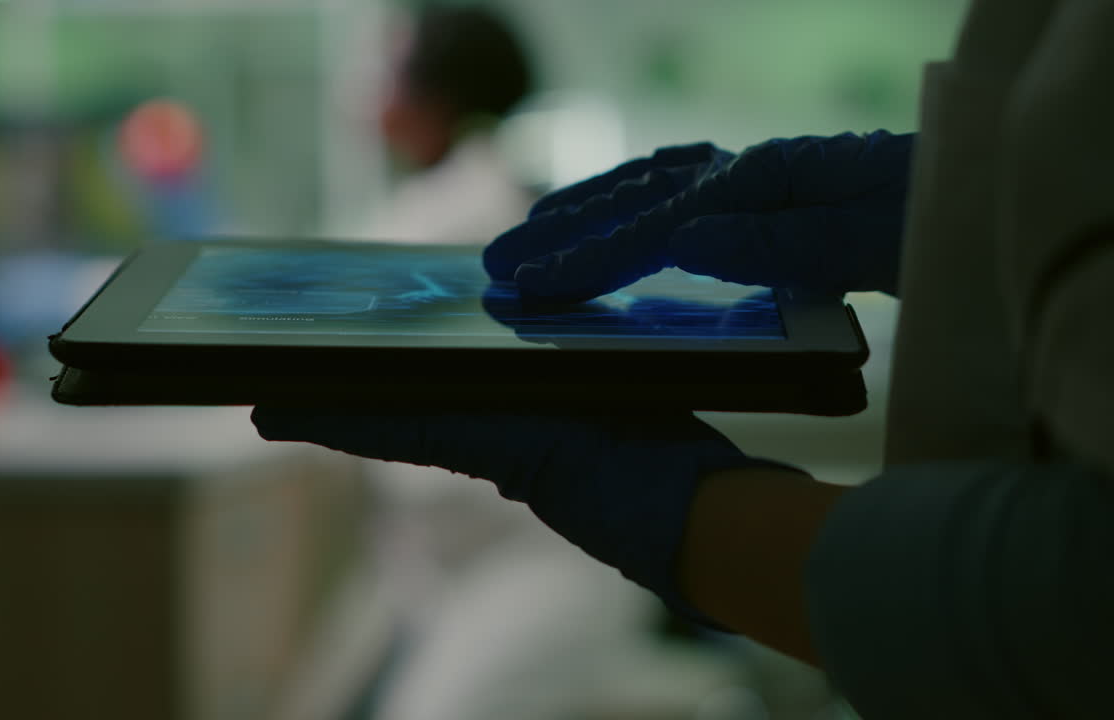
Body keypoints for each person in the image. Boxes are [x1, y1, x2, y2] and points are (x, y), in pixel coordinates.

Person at [255, 0, 1114, 717]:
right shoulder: (453, 198)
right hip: (470, 579)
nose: (364, 86)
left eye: (389, 63)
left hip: (520, 581)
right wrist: (979, 201)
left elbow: (1077, 612)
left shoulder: (454, 208)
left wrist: (698, 515)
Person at [362, 3, 536, 244]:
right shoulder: (452, 189)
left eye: (392, 76)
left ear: (438, 100)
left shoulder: (469, 210)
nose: (376, 100)